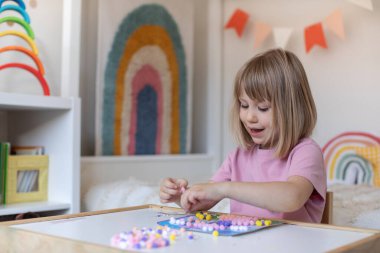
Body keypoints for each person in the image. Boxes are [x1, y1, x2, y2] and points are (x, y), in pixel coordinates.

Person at [159, 48, 326, 223]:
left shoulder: (306, 152)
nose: (250, 117)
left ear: (292, 110)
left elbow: (292, 197)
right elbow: (204, 199)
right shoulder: (238, 157)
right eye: (244, 105)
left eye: (262, 108)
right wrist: (181, 196)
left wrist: (224, 188)